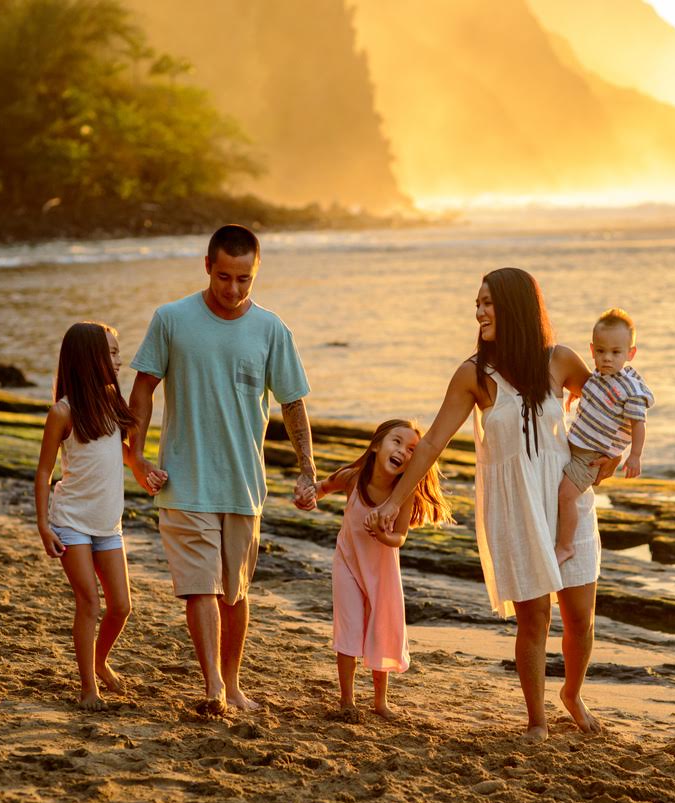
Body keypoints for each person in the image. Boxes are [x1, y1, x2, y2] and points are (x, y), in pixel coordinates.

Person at [366, 268, 617, 742]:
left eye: (487, 303)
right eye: (476, 304)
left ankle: (573, 693)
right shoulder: (473, 375)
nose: (478, 312)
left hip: (567, 501)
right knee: (535, 619)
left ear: (517, 306)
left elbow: (605, 404)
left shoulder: (560, 360)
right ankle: (538, 719)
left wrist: (613, 453)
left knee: (581, 616)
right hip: (516, 509)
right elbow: (433, 441)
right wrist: (395, 501)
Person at [128, 224, 316, 716]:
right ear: (207, 266)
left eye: (245, 280)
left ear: (256, 274)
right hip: (183, 480)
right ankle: (212, 685)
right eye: (225, 277)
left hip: (242, 484)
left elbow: (292, 403)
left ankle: (232, 685)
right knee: (202, 587)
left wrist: (307, 471)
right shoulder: (171, 319)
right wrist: (138, 455)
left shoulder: (272, 329)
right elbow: (144, 389)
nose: (233, 290)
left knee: (234, 593)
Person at [34, 322, 164, 710]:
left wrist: (142, 468)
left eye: (117, 351)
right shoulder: (63, 412)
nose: (119, 360)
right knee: (89, 603)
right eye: (110, 352)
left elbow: (120, 451)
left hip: (108, 525)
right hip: (71, 521)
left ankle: (101, 660)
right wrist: (43, 525)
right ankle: (88, 687)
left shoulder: (111, 403)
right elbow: (43, 472)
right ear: (89, 359)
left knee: (122, 606)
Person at [314, 419, 453, 720]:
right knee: (349, 629)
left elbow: (399, 538)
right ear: (376, 445)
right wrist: (310, 495)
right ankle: (347, 700)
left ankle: (380, 702)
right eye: (397, 442)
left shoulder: (404, 495)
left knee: (381, 631)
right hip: (348, 564)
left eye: (412, 449)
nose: (403, 451)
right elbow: (325, 486)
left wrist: (382, 534)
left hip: (382, 575)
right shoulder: (354, 478)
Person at [554, 308, 654, 564]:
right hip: (577, 445)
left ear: (631, 353)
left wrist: (634, 456)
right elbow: (593, 390)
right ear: (592, 350)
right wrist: (580, 396)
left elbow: (638, 424)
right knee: (560, 493)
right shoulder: (601, 374)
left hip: (592, 456)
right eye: (600, 351)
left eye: (615, 352)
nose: (607, 358)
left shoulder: (630, 390)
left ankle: (566, 546)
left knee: (566, 496)